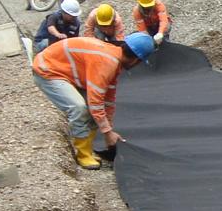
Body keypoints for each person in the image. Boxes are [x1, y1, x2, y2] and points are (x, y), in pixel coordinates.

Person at [31, 32, 154, 170]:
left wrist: (109, 129)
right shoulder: (106, 63)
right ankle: (82, 155)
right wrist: (107, 132)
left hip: (63, 69)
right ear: (136, 60)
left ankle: (88, 150)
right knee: (79, 108)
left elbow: (108, 99)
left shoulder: (114, 58)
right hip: (47, 70)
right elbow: (95, 102)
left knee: (94, 110)